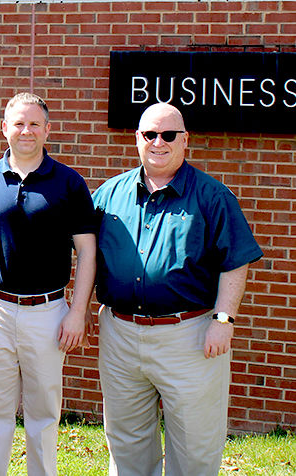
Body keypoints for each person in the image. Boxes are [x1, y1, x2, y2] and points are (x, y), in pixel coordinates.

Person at [93, 102, 263, 476]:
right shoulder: (108, 195)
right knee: (126, 442)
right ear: (137, 139)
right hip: (120, 334)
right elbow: (87, 253)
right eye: (150, 134)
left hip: (189, 335)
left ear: (185, 141)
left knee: (195, 446)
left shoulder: (212, 196)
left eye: (168, 135)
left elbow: (236, 260)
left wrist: (223, 319)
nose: (158, 142)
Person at [0, 92, 98, 476]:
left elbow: (88, 251)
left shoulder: (69, 183)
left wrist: (77, 313)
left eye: (35, 124)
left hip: (49, 313)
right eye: (18, 123)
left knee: (43, 417)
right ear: (4, 128)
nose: (26, 130)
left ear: (47, 130)